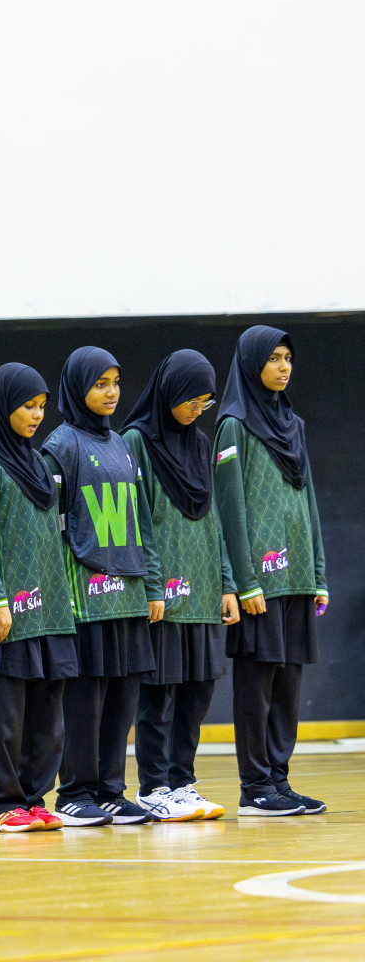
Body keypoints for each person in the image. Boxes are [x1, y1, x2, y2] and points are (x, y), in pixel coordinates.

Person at [214, 326, 328, 817]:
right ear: (251, 364)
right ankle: (255, 786)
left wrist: (318, 574)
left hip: (297, 577)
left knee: (288, 685)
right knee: (257, 685)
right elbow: (228, 509)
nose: (284, 367)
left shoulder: (294, 425)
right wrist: (244, 581)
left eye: (288, 358)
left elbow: (309, 500)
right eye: (274, 358)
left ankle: (278, 781)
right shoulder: (233, 426)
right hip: (260, 583)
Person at [41, 347, 156, 828]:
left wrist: (152, 584)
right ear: (77, 388)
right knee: (85, 699)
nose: (111, 393)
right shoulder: (60, 445)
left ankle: (110, 790)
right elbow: (51, 527)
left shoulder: (123, 443)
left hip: (127, 591)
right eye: (100, 383)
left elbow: (142, 520)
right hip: (85, 595)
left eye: (116, 382)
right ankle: (74, 793)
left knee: (122, 697)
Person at [0, 364, 77, 834]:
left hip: (50, 608)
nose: (36, 415)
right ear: (4, 404)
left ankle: (33, 798)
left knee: (47, 720)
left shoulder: (40, 463)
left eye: (42, 407)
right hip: (7, 608)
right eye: (27, 406)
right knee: (5, 718)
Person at [123, 350, 237, 823]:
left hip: (204, 584)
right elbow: (137, 519)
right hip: (164, 590)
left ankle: (182, 782)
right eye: (191, 399)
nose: (196, 409)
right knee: (158, 693)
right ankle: (154, 787)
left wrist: (227, 582)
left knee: (197, 691)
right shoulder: (136, 440)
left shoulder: (199, 441)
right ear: (170, 391)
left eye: (205, 402)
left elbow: (214, 517)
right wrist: (152, 585)